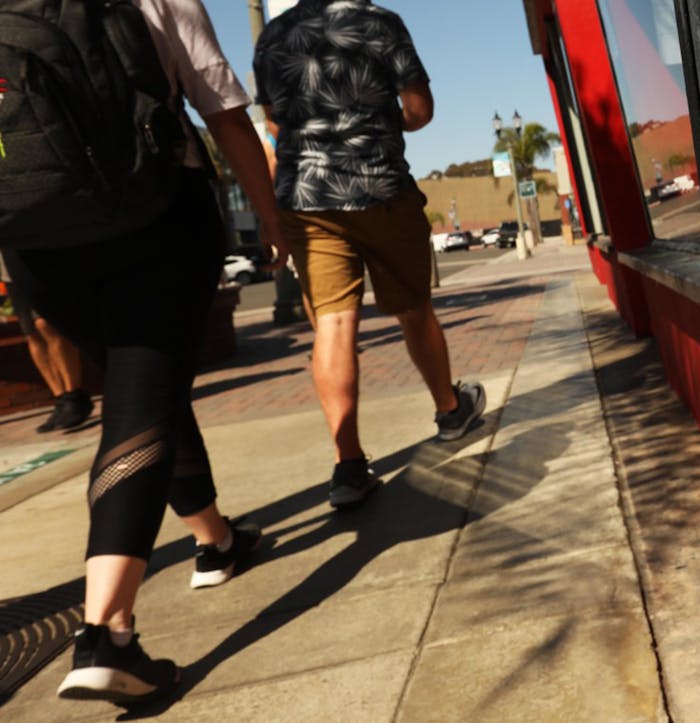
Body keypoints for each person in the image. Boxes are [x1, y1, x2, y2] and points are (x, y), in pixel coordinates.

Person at [3, 0, 289, 705]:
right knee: (141, 397)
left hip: (38, 238)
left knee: (150, 386)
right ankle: (108, 632)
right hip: (155, 212)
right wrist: (272, 217)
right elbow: (222, 109)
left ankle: (216, 538)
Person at [254, 0, 485, 510]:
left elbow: (275, 123)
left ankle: (349, 465)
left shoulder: (272, 38)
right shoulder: (378, 22)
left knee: (333, 325)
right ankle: (450, 411)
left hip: (307, 199)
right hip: (380, 187)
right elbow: (419, 110)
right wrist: (377, 123)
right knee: (411, 309)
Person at [0, 258, 94, 432]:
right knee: (31, 334)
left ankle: (74, 394)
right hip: (6, 272)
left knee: (46, 325)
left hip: (29, 262)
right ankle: (61, 398)